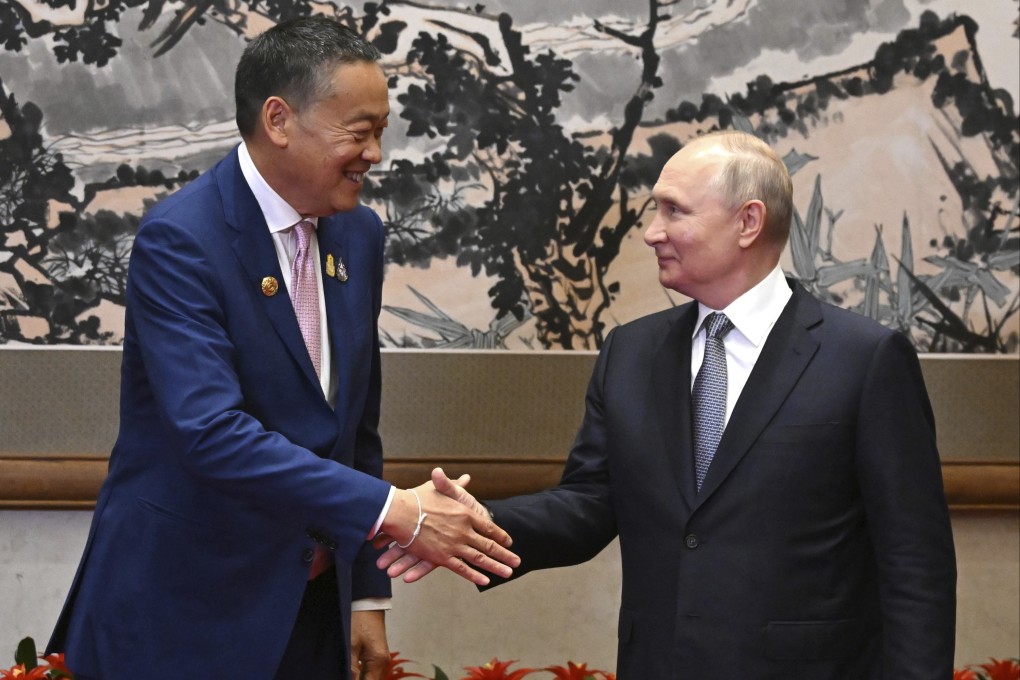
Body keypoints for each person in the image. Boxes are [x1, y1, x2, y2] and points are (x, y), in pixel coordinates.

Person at [380, 130, 958, 677]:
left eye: (673, 211)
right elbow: (589, 504)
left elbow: (915, 564)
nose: (653, 232)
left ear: (748, 221)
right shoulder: (630, 353)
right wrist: (474, 524)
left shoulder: (864, 359)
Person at [47, 16, 518, 680]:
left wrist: (366, 595)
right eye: (358, 132)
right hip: (182, 612)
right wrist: (397, 512)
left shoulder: (357, 236)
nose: (375, 155)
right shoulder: (182, 241)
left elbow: (352, 425)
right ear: (278, 120)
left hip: (307, 610)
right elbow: (211, 433)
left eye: (381, 132)